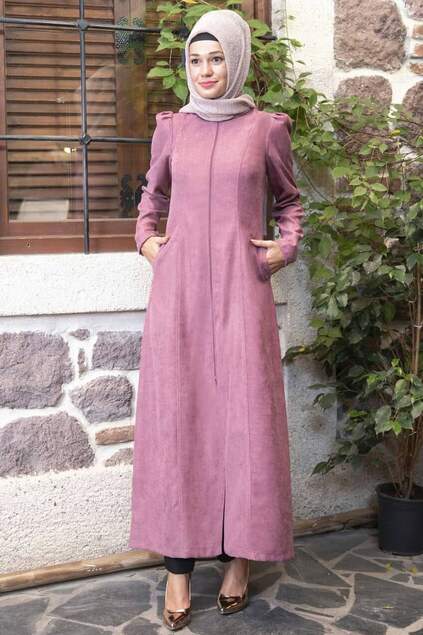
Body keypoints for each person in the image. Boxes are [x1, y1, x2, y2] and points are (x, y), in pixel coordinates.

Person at [128, 8, 305, 632]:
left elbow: (290, 202)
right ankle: (177, 570)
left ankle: (239, 561)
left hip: (241, 293)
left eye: (217, 58)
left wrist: (284, 248)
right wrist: (149, 241)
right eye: (196, 60)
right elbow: (151, 197)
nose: (205, 71)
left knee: (244, 422)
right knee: (178, 423)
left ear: (238, 60)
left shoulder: (265, 130)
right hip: (177, 300)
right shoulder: (172, 128)